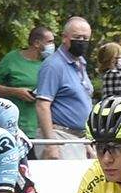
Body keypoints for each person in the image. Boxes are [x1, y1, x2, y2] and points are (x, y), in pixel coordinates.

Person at [35, 16, 93, 157]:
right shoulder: (54, 65)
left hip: (78, 139)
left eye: (86, 38)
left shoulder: (80, 63)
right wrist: (51, 144)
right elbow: (42, 105)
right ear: (64, 38)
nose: (82, 41)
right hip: (60, 137)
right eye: (77, 37)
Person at [0, 25, 54, 138]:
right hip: (14, 128)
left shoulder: (50, 63)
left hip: (41, 130)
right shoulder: (12, 59)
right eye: (49, 42)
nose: (52, 46)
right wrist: (15, 92)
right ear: (36, 43)